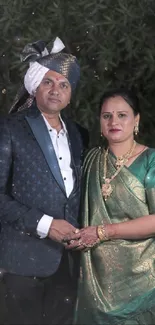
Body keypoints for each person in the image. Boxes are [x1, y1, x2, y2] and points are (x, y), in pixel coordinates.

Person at [0, 37, 88, 325]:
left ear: (71, 93)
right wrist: (47, 225)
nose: (56, 90)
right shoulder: (10, 128)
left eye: (64, 84)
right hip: (21, 265)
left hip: (67, 264)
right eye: (49, 81)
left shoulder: (78, 134)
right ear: (35, 85)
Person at [63, 88, 155, 325]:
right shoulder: (90, 159)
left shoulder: (150, 161)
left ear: (136, 120)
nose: (114, 121)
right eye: (107, 116)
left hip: (141, 281)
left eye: (122, 115)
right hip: (95, 280)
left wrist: (102, 232)